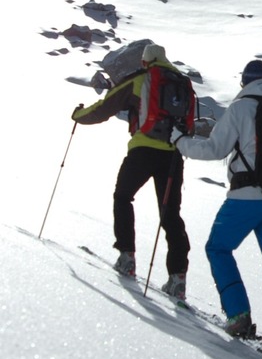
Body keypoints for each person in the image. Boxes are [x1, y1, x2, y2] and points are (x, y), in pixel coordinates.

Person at [172, 59, 262, 359]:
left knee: (218, 248)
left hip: (244, 198)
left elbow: (214, 149)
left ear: (245, 82)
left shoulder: (241, 107)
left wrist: (180, 143)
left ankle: (239, 316)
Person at [72, 43, 190, 300]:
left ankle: (127, 256)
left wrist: (79, 116)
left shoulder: (140, 79)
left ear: (146, 62)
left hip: (143, 149)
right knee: (170, 213)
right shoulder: (182, 83)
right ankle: (178, 277)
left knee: (123, 196)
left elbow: (105, 108)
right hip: (173, 155)